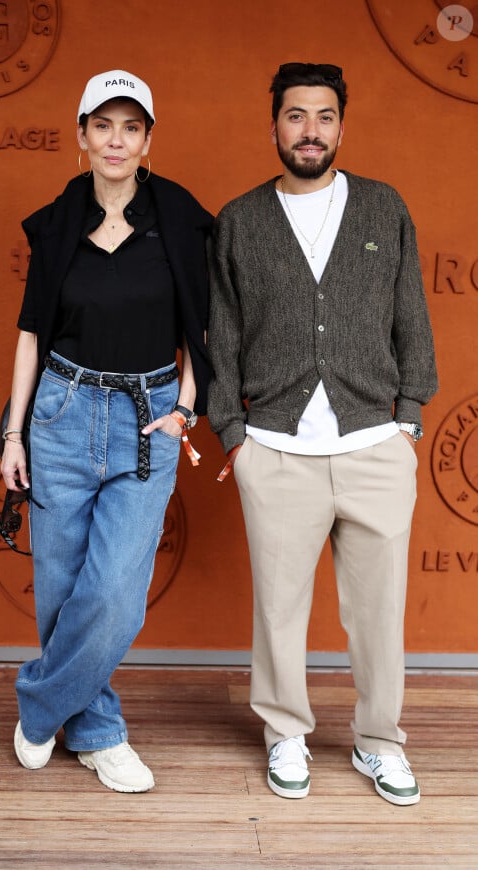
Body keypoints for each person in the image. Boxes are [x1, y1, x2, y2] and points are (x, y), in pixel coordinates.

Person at [207, 62, 437, 806]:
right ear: (273, 124)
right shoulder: (240, 218)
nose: (311, 130)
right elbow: (224, 334)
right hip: (275, 449)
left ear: (342, 125)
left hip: (375, 444)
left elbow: (413, 317)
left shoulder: (382, 207)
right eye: (297, 116)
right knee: (279, 606)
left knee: (379, 610)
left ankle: (379, 742)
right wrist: (234, 435)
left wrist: (409, 419)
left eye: (325, 116)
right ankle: (285, 731)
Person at [0, 69, 211, 792]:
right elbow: (31, 334)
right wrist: (12, 434)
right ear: (82, 135)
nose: (116, 140)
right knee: (60, 588)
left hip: (145, 421)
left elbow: (204, 332)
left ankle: (39, 706)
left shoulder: (181, 218)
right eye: (103, 125)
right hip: (60, 411)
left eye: (131, 127)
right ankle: (96, 732)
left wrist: (185, 408)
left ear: (148, 140)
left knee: (117, 588)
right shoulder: (56, 222)